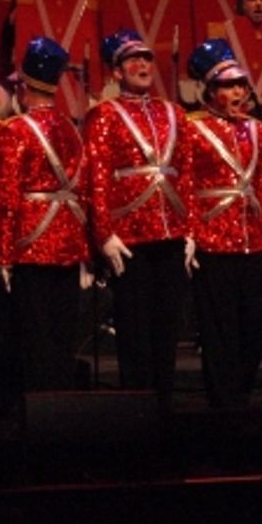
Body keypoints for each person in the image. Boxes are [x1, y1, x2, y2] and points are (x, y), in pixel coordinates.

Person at [84, 28, 190, 404]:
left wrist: (188, 228)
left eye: (146, 58)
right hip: (129, 238)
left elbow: (185, 171)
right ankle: (138, 408)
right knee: (135, 330)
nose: (142, 64)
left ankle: (163, 405)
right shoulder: (104, 115)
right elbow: (96, 177)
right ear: (116, 72)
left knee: (167, 329)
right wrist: (104, 233)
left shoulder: (173, 112)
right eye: (133, 60)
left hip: (171, 233)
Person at [0, 37, 90, 392]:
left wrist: (3, 256)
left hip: (31, 246)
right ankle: (61, 409)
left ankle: (37, 412)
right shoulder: (72, 129)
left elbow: (7, 197)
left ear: (24, 88)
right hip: (68, 244)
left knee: (35, 338)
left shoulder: (15, 130)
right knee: (63, 335)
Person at [178, 38, 262, 409]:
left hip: (253, 241)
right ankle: (224, 402)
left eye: (241, 85)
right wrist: (190, 233)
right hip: (213, 241)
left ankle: (243, 393)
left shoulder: (256, 130)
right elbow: (184, 182)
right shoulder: (193, 129)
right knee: (220, 331)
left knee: (254, 326)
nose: (238, 92)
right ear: (211, 91)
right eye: (229, 86)